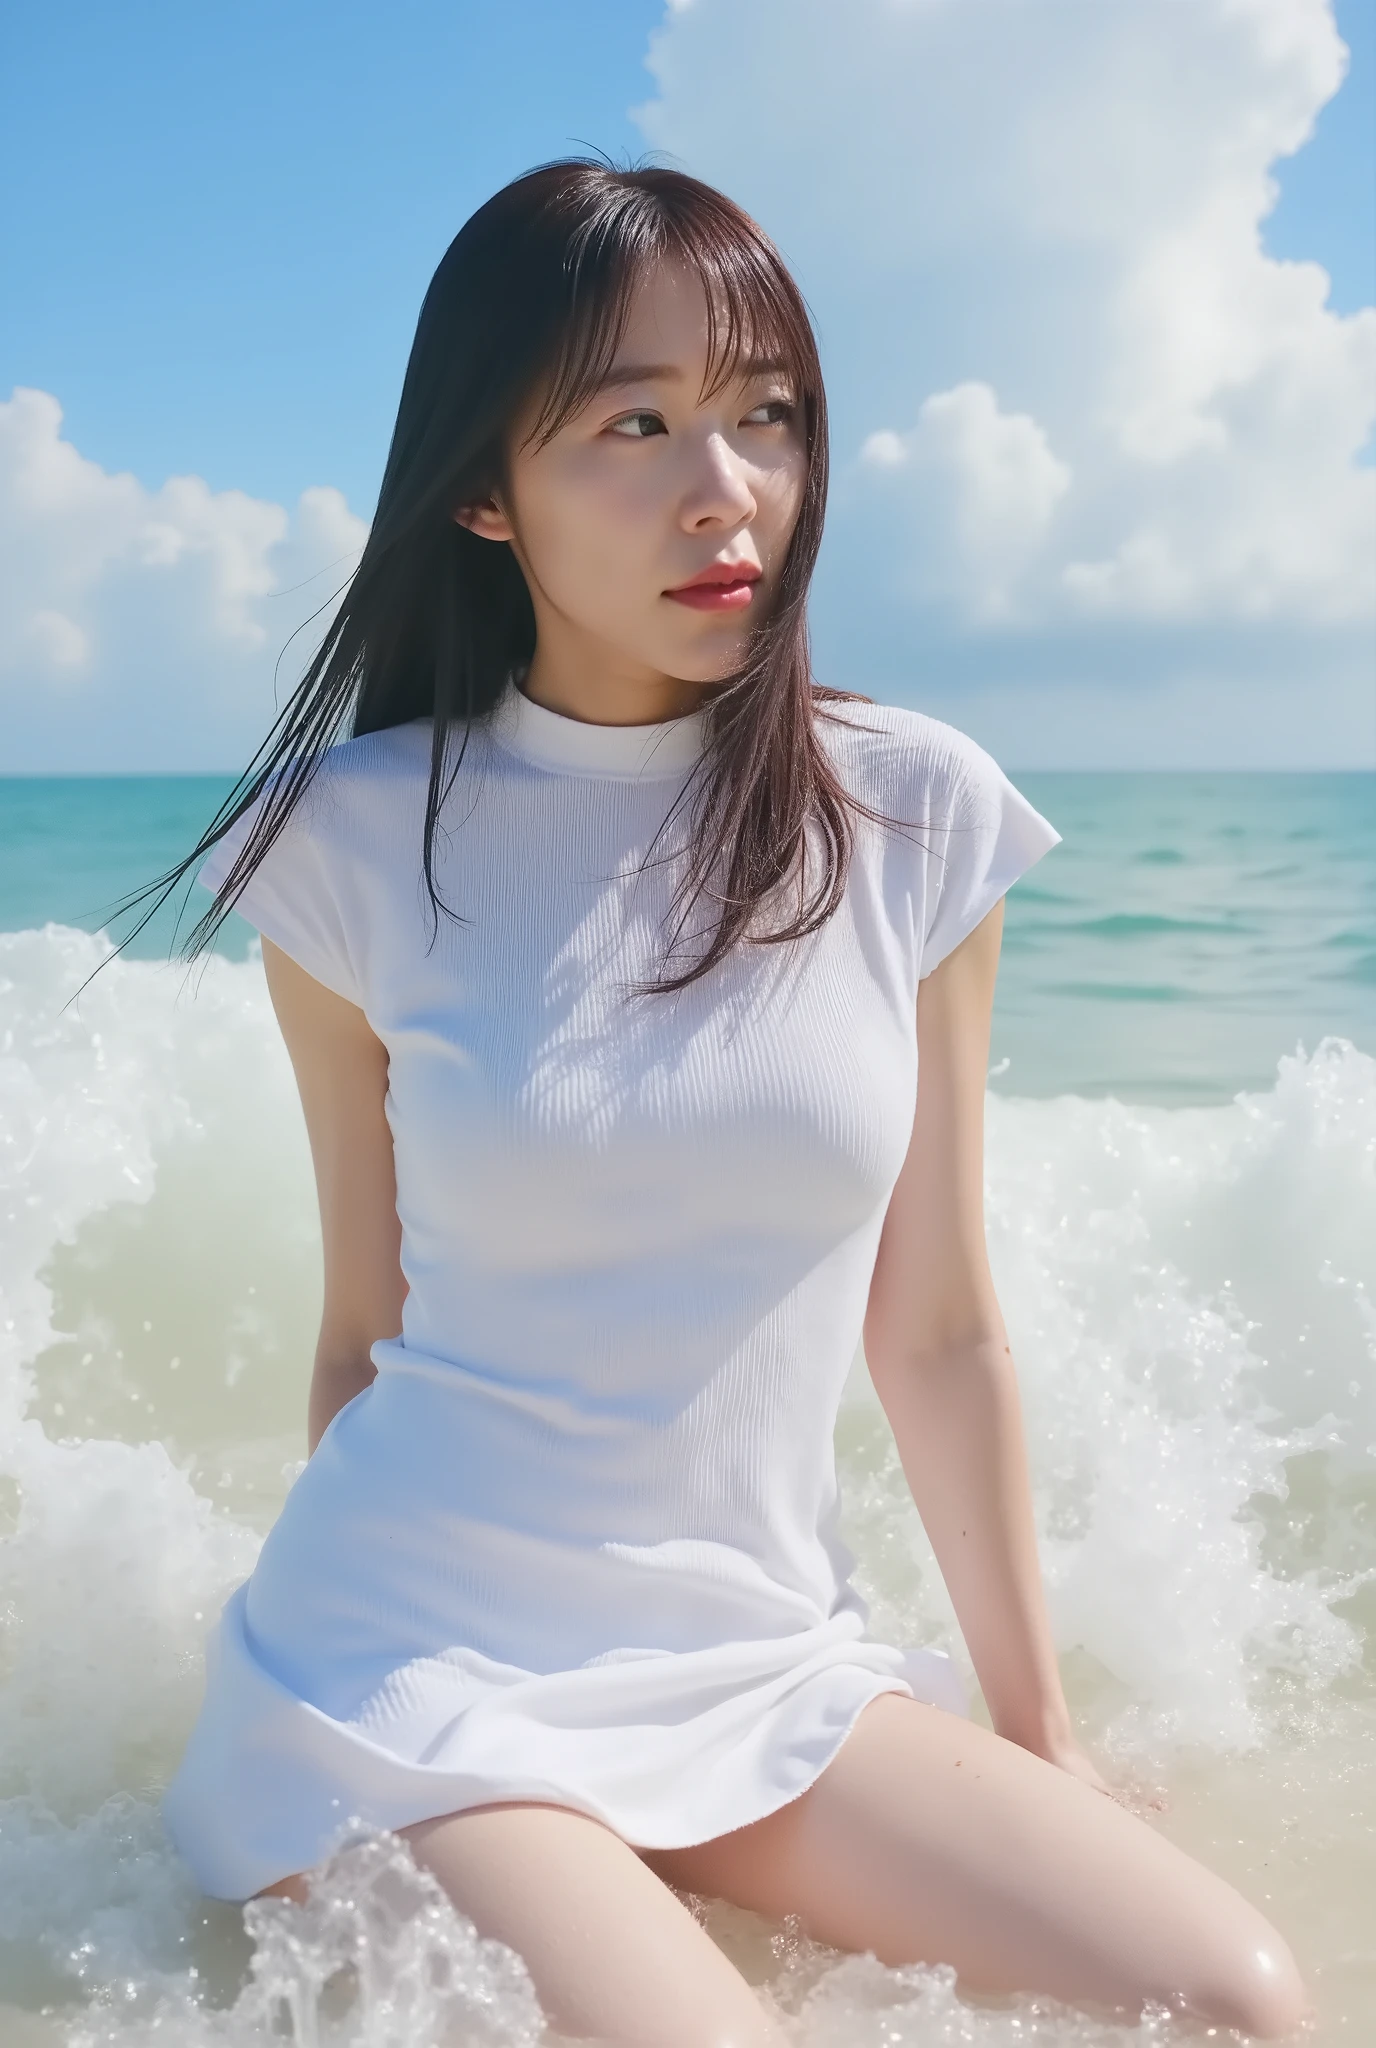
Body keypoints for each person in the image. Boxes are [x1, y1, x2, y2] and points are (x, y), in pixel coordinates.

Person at [150, 159, 1307, 2047]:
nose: (728, 491)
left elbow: (937, 1329)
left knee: (1237, 2000)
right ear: (480, 490)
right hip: (417, 1663)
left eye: (767, 415)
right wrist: (369, 1766)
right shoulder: (355, 843)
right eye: (636, 424)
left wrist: (1042, 1739)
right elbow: (365, 1334)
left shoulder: (913, 814)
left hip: (760, 1663)